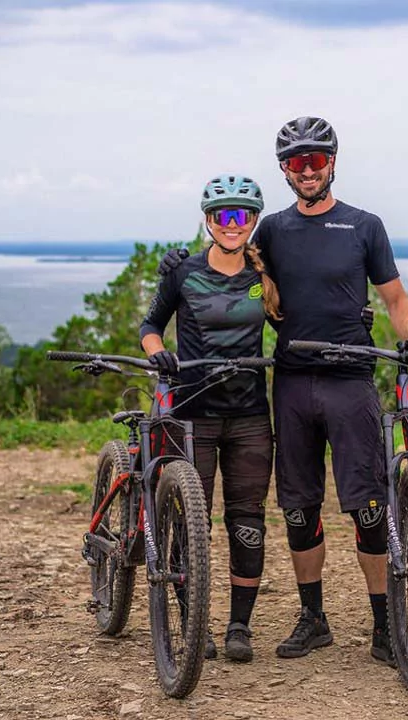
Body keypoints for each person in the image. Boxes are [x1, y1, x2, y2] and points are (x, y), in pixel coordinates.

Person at [158, 117, 408, 665]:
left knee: (369, 507)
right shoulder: (273, 231)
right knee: (297, 507)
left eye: (315, 160)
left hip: (350, 382)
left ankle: (385, 625)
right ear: (284, 170)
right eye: (295, 162)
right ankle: (314, 619)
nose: (306, 170)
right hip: (289, 384)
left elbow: (396, 299)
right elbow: (227, 254)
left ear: (332, 162)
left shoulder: (365, 226)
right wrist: (178, 264)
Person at [140, 174, 280, 663]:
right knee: (187, 522)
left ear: (254, 221)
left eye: (242, 216)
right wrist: (158, 353)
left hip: (249, 419)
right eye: (223, 215)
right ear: (208, 221)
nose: (232, 224)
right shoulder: (183, 272)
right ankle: (192, 623)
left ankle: (240, 626)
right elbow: (151, 326)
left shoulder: (266, 278)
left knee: (247, 521)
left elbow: (298, 320)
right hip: (191, 415)